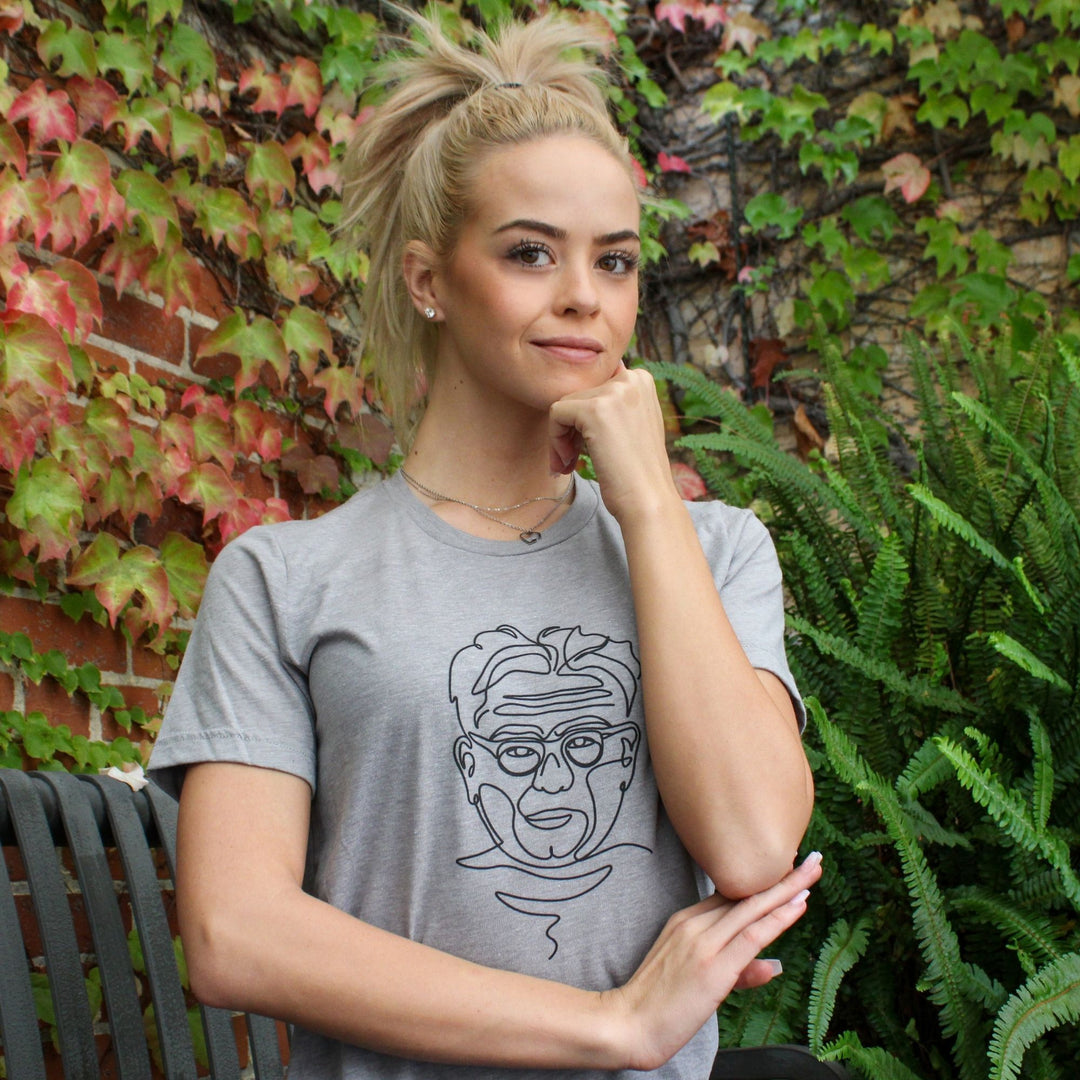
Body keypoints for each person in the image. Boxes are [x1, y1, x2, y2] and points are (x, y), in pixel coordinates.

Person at [147, 10, 818, 1079]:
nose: (582, 297)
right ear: (428, 280)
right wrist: (610, 1025)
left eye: (615, 262)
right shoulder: (285, 580)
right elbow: (235, 934)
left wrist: (647, 501)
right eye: (530, 253)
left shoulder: (715, 552)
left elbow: (750, 844)